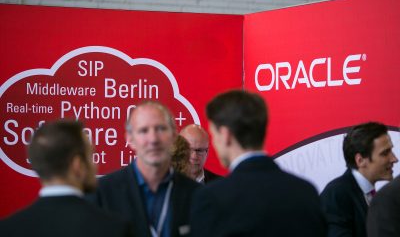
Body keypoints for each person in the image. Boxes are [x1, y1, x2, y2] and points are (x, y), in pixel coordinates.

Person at [190, 90, 326, 237]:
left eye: (214, 135)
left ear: (225, 135)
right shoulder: (305, 192)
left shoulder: (212, 198)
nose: (215, 143)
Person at [0, 120, 133, 237]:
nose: (95, 165)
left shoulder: (7, 229)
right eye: (91, 155)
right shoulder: (114, 229)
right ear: (78, 165)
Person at [89, 101, 199, 237]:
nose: (153, 139)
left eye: (161, 129)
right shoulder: (102, 193)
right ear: (130, 139)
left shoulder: (196, 194)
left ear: (173, 136)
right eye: (143, 131)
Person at [320, 122, 398, 237]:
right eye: (385, 153)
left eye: (391, 150)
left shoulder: (372, 195)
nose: (394, 159)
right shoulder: (336, 194)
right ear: (360, 160)